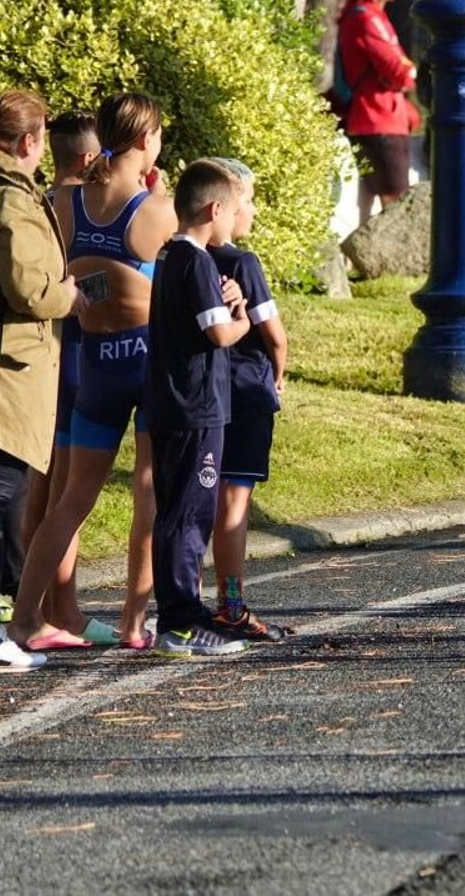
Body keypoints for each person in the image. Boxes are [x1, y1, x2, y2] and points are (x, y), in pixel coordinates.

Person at [10, 93, 175, 653]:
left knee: (70, 501)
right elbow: (183, 286)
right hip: (147, 360)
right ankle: (134, 621)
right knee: (149, 494)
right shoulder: (155, 210)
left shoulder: (64, 200)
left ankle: (25, 618)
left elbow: (74, 279)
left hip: (91, 360)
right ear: (145, 140)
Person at [0, 90, 86, 674]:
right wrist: (74, 295)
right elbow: (31, 290)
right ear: (26, 142)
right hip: (1, 368)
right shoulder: (7, 201)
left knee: (3, 493)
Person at [148, 160, 251, 657]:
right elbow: (220, 333)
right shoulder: (199, 261)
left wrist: (225, 302)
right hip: (196, 407)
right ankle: (181, 622)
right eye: (232, 212)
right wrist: (242, 317)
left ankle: (177, 615)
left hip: (170, 403)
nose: (234, 223)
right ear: (214, 209)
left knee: (174, 512)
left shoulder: (170, 256)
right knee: (190, 514)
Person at [16, 111, 109, 642]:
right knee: (67, 493)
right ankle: (61, 610)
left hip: (46, 356)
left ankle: (37, 604)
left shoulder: (41, 201)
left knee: (44, 488)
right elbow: (82, 286)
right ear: (89, 158)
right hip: (76, 354)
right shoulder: (79, 208)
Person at [207, 158, 290, 643]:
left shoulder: (184, 256)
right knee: (235, 501)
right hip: (246, 389)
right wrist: (277, 376)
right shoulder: (243, 263)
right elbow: (273, 335)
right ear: (226, 208)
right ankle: (230, 603)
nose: (253, 211)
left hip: (203, 393)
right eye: (248, 202)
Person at [338, 0, 420, 227]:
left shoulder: (366, 15)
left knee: (368, 195)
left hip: (374, 117)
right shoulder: (367, 18)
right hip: (379, 118)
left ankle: (363, 263)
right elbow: (398, 69)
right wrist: (410, 71)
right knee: (395, 200)